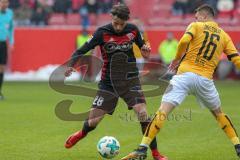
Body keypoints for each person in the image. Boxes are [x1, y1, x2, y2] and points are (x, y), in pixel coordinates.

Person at [121, 4, 240, 160]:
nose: (195, 19)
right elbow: (236, 59)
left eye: (197, 16)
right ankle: (237, 145)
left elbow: (184, 41)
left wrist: (176, 59)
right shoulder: (224, 36)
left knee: (162, 112)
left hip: (184, 76)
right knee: (219, 114)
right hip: (205, 79)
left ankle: (142, 149)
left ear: (204, 16)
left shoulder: (196, 26)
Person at [64, 4, 167, 160]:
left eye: (122, 24)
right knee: (93, 122)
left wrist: (146, 52)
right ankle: (81, 133)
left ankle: (155, 153)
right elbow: (81, 50)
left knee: (143, 113)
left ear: (127, 21)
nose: (118, 27)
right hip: (108, 83)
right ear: (112, 18)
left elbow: (144, 50)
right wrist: (71, 66)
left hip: (130, 80)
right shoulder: (101, 33)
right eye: (116, 23)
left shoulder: (133, 30)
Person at [0, 0, 14, 100]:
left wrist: (12, 42)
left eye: (6, 2)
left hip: (3, 43)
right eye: (2, 2)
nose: (4, 4)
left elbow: (11, 29)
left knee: (2, 68)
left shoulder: (10, 13)